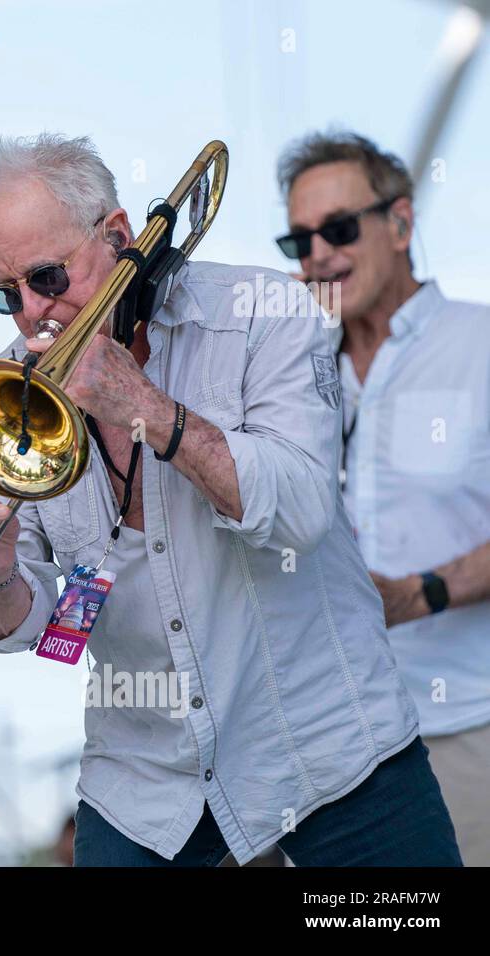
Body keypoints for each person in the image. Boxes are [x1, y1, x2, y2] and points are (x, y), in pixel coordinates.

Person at [0, 133, 461, 866]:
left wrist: (144, 406)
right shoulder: (15, 397)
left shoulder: (263, 312)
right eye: (5, 292)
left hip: (331, 752)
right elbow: (43, 634)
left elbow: (302, 509)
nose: (30, 314)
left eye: (48, 276)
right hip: (144, 781)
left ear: (118, 236)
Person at [276, 130, 490, 865]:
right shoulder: (287, 377)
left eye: (339, 229)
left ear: (400, 224)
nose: (320, 256)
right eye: (299, 241)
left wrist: (421, 593)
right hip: (338, 751)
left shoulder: (481, 342)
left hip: (471, 723)